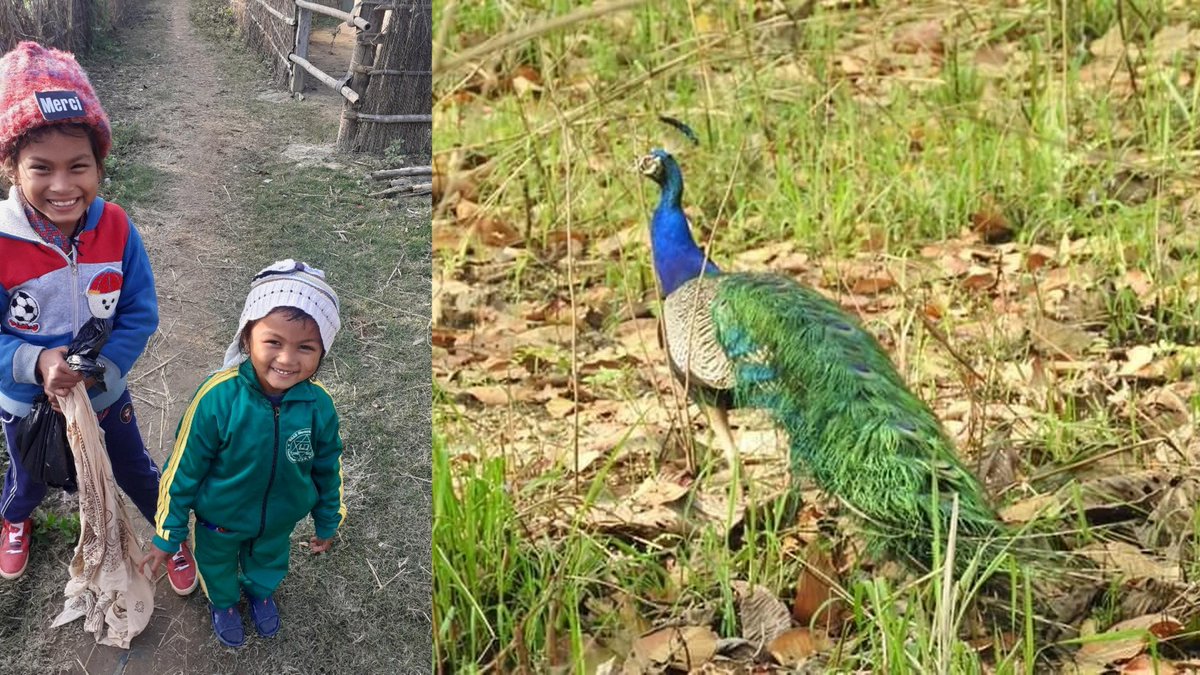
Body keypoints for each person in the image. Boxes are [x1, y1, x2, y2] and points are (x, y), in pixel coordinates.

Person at [0, 41, 197, 594]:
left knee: (135, 467)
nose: (63, 186)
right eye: (41, 168)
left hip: (105, 393)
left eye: (78, 166)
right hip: (26, 402)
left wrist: (102, 366)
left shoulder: (116, 228)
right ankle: (15, 519)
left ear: (100, 163)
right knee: (30, 476)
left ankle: (168, 531)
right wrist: (35, 362)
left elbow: (138, 311)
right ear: (10, 166)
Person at [143, 260, 346, 648]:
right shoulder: (217, 398)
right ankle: (223, 603)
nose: (287, 360)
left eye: (306, 347)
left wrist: (327, 519)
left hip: (278, 521)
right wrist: (168, 533)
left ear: (323, 351)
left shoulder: (319, 406)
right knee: (217, 567)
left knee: (268, 560)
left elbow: (327, 467)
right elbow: (182, 470)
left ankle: (260, 591)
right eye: (274, 342)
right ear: (246, 337)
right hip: (219, 521)